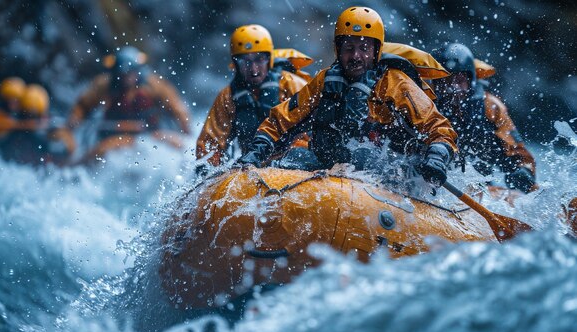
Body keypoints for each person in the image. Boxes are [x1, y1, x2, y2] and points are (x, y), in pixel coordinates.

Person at [239, 7, 458, 187]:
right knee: (293, 159)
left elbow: (439, 129)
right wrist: (258, 149)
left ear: (375, 51)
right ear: (338, 50)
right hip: (334, 165)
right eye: (349, 48)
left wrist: (437, 156)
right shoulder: (326, 80)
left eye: (363, 48)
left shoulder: (397, 83)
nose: (355, 56)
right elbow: (282, 119)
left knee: (364, 157)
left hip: (392, 170)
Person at [195, 24, 311, 171]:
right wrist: (208, 170)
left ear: (269, 59)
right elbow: (210, 144)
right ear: (235, 64)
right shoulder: (228, 97)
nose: (254, 69)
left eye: (259, 59)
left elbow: (317, 127)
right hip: (251, 167)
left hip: (296, 160)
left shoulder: (292, 85)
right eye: (245, 61)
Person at [431, 43, 537, 193]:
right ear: (435, 81)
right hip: (429, 176)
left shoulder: (491, 107)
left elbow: (519, 153)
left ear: (471, 80)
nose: (452, 87)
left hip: (478, 185)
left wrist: (523, 171)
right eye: (445, 80)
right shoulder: (424, 102)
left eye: (459, 79)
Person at [67, 46, 191, 150]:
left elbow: (177, 106)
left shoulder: (153, 84)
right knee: (101, 150)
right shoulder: (104, 85)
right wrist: (75, 119)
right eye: (123, 74)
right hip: (114, 137)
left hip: (151, 134)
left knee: (178, 145)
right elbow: (82, 105)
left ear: (137, 71)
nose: (127, 77)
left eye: (131, 73)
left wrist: (185, 128)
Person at [0, 84, 74, 166]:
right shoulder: (15, 126)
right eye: (27, 114)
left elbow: (68, 149)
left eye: (33, 115)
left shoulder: (53, 127)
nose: (11, 104)